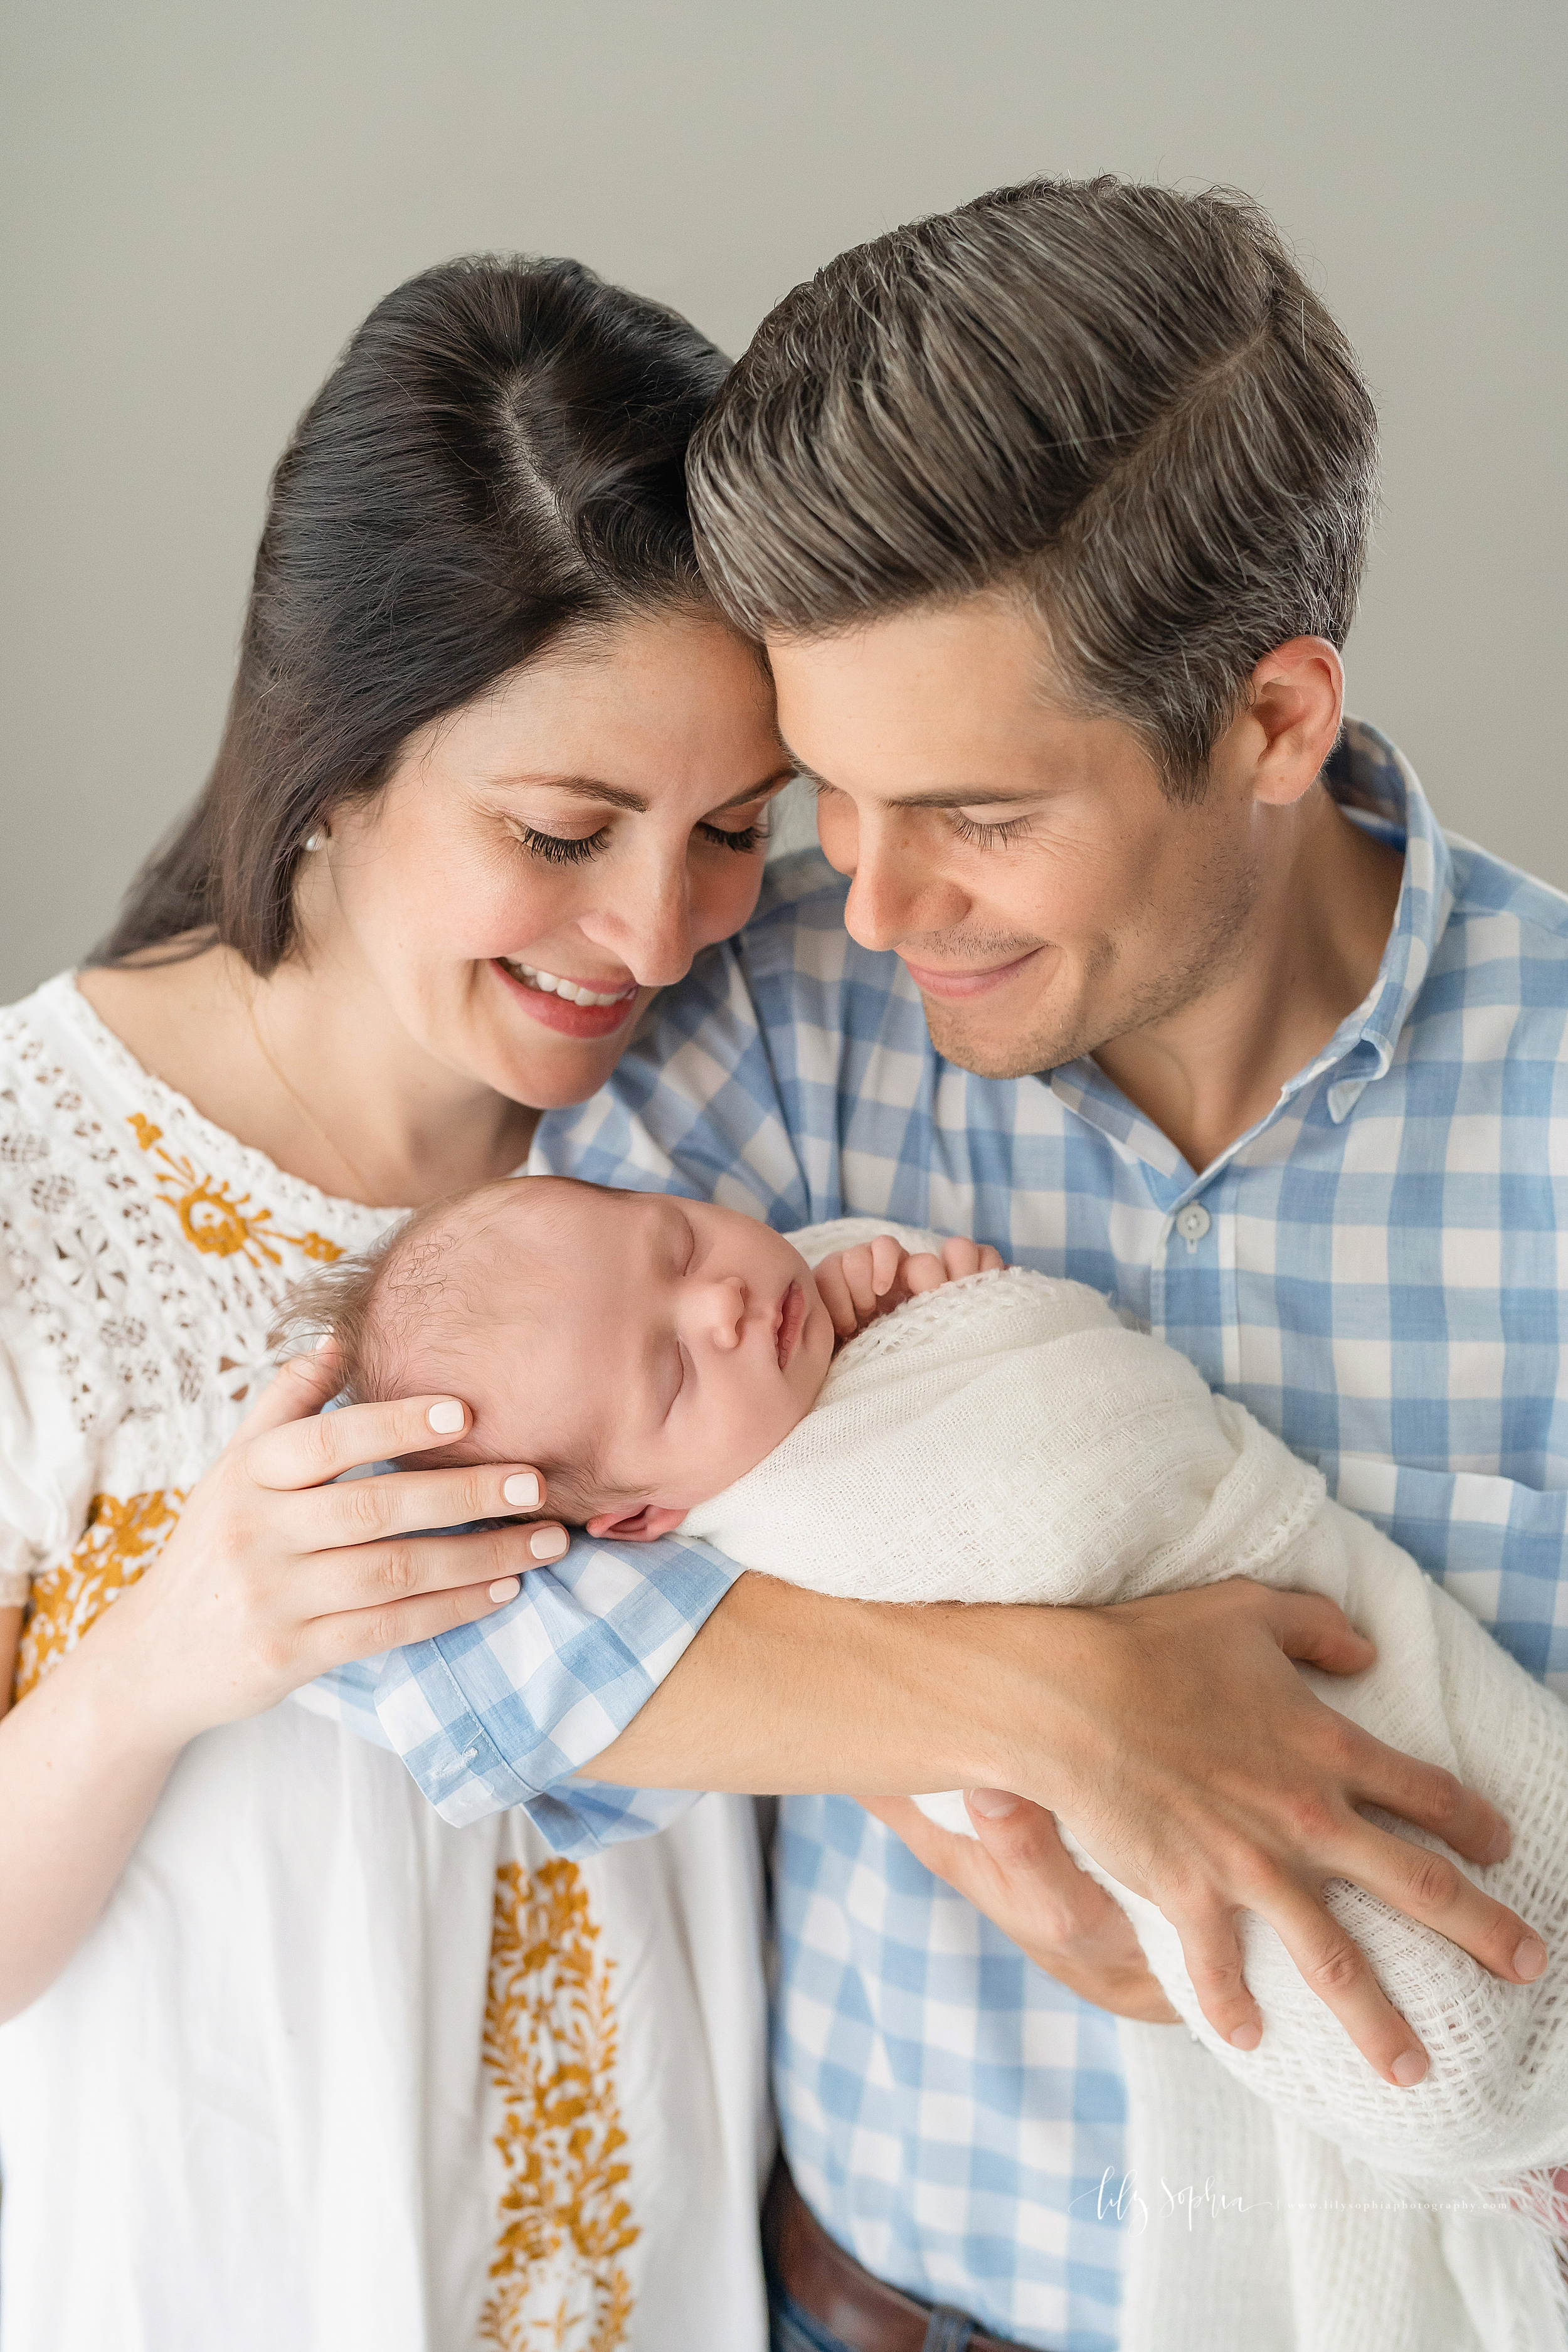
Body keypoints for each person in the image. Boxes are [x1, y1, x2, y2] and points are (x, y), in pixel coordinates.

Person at [345, 181, 1568, 2352]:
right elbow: (421, 1629)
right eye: (827, 794)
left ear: (1273, 720)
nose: (876, 909)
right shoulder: (766, 1036)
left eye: (979, 814)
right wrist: (1072, 1718)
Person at [0, 252, 799, 2351]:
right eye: (561, 829)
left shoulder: (726, 1139)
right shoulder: (33, 1197)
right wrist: (168, 1655)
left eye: (731, 828)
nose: (653, 930)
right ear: (339, 764)